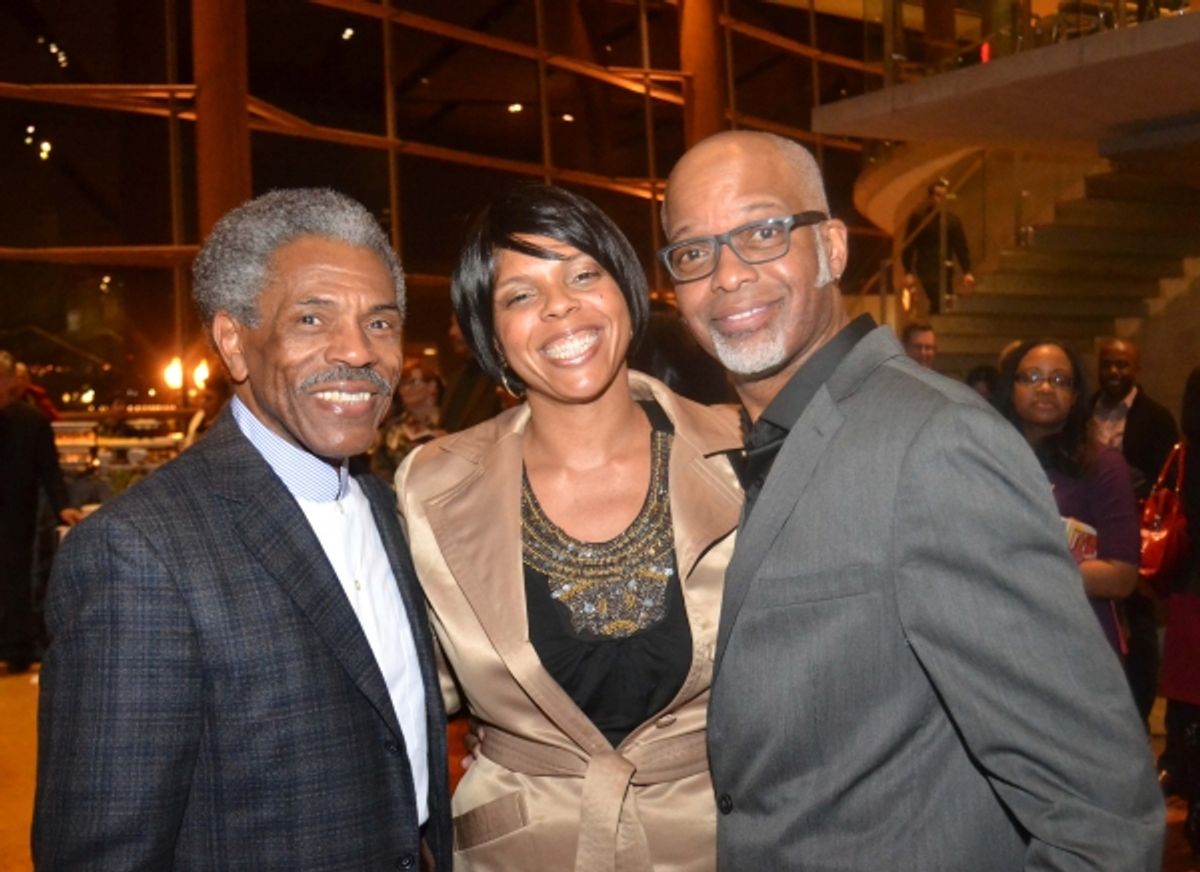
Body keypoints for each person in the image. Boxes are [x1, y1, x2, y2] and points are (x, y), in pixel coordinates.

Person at [658, 130, 1163, 870]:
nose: (727, 275)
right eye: (693, 251)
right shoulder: (781, 437)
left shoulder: (936, 442)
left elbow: (1099, 812)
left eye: (763, 232)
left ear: (832, 248)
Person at [35, 189, 451, 871]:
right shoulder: (137, 554)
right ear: (234, 342)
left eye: (380, 323)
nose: (358, 350)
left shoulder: (385, 508)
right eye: (312, 318)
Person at [396, 184, 742, 871]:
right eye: (520, 295)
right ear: (489, 334)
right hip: (519, 851)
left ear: (628, 292)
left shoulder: (743, 455)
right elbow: (406, 696)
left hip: (724, 843)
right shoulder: (431, 485)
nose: (560, 305)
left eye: (584, 274)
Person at [994, 339, 1141, 654]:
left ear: (1075, 397)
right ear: (1011, 388)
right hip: (1001, 639)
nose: (1045, 387)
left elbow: (1122, 576)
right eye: (1031, 377)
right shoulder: (987, 459)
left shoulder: (1102, 465)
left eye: (1060, 380)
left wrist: (1026, 568)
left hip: (1078, 645)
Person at [1091, 336, 1179, 726]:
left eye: (1122, 365)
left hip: (1138, 533)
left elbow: (1166, 480)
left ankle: (1139, 713)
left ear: (1136, 369)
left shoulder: (1156, 417)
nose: (1113, 372)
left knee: (1141, 625)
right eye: (1108, 364)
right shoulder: (1085, 411)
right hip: (1089, 531)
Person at [0, 351, 81, 674]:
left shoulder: (32, 422)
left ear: (8, 382)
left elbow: (50, 470)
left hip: (17, 512)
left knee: (16, 579)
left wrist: (65, 507)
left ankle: (17, 650)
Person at [1160, 364, 1200, 860]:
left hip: (1190, 596)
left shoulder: (1188, 454)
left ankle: (1193, 803)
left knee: (1190, 709)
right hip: (1194, 596)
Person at [902, 176, 975, 315]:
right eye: (937, 195)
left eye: (943, 196)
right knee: (938, 299)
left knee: (942, 302)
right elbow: (909, 244)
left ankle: (935, 328)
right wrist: (908, 271)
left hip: (945, 267)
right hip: (926, 266)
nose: (940, 199)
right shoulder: (919, 218)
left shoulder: (952, 220)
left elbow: (960, 246)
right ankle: (936, 327)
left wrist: (967, 270)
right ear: (930, 197)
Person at [370, 355, 446, 482]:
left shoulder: (453, 420)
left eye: (412, 382)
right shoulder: (392, 430)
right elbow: (379, 472)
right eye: (402, 384)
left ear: (432, 386)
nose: (405, 389)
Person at [182, 370, 233, 447]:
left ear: (222, 401)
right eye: (202, 397)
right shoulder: (198, 418)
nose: (202, 403)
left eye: (208, 398)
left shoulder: (227, 427)